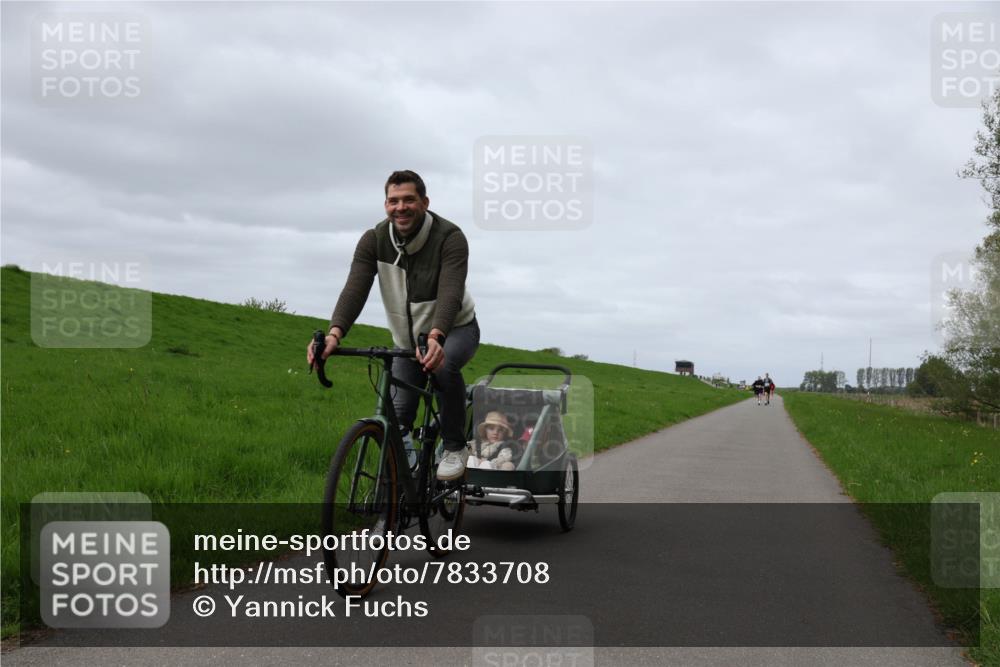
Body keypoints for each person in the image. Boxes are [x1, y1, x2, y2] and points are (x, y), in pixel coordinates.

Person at [307, 170, 479, 481]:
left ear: (424, 202)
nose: (400, 207)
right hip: (406, 340)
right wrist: (335, 333)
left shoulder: (450, 237)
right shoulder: (374, 240)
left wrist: (438, 335)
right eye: (393, 201)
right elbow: (355, 288)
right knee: (397, 418)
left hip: (455, 329)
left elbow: (450, 291)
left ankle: (455, 447)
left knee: (443, 368)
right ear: (385, 205)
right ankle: (405, 479)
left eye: (409, 200)